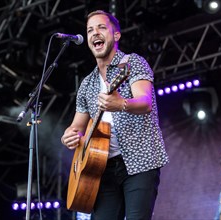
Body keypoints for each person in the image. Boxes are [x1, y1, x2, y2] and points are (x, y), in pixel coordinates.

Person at [60, 10, 169, 220]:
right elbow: (77, 126)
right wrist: (69, 135)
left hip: (140, 162)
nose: (95, 33)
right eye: (90, 30)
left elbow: (145, 102)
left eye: (101, 27)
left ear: (116, 35)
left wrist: (121, 103)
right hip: (102, 169)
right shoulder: (87, 84)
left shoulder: (132, 63)